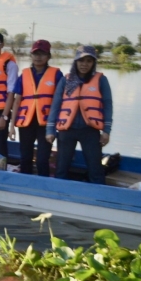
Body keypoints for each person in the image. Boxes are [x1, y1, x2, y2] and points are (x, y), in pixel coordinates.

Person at [46, 46, 113, 184]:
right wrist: (50, 130)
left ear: (93, 63)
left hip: (90, 131)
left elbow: (108, 105)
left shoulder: (101, 80)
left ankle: (98, 198)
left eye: (89, 61)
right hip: (67, 130)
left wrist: (106, 131)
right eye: (81, 60)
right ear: (75, 62)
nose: (84, 64)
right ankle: (59, 196)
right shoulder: (66, 80)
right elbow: (56, 105)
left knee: (95, 169)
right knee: (61, 168)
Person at [8, 40, 63, 176]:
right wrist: (11, 126)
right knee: (25, 157)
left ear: (49, 56)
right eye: (35, 54)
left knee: (42, 159)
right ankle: (25, 184)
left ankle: (43, 185)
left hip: (47, 124)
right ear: (31, 56)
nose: (38, 57)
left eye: (42, 54)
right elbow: (17, 101)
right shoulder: (24, 75)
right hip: (26, 122)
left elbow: (63, 101)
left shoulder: (56, 75)